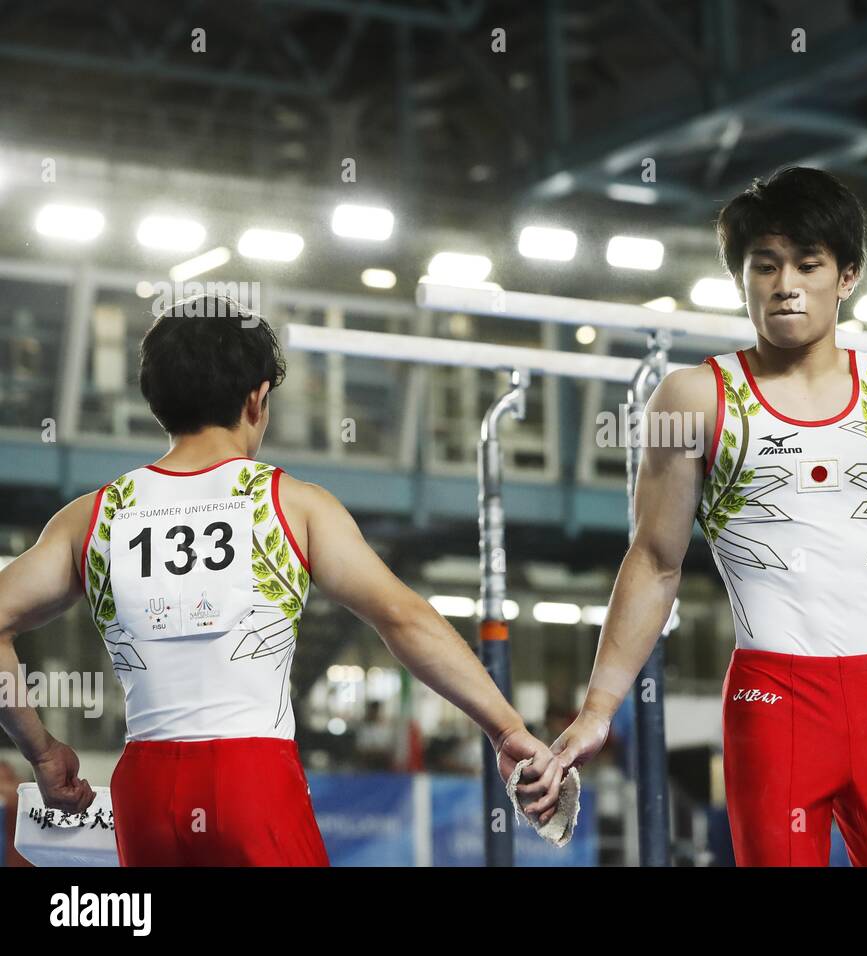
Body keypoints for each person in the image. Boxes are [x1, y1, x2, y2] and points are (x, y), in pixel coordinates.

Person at [541, 166, 867, 865]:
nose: (785, 284)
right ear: (742, 280)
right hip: (774, 705)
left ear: (848, 276)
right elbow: (655, 560)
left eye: (808, 264)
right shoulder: (696, 399)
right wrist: (597, 709)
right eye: (764, 266)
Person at [0, 295, 562, 866]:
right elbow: (402, 618)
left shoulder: (92, 518)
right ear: (257, 399)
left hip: (144, 790)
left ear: (155, 401)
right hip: (252, 782)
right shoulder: (292, 506)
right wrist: (505, 727)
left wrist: (41, 751)